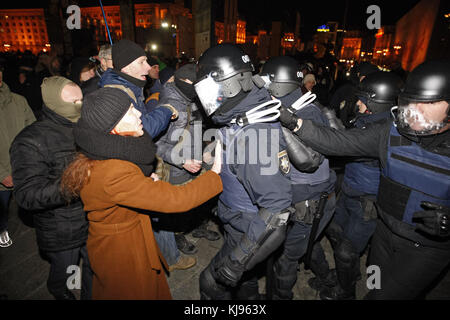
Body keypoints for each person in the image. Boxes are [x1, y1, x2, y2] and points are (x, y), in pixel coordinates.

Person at [279, 60, 450, 299]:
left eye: (429, 103)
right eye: (412, 100)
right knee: (374, 280)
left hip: (426, 248)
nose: (415, 110)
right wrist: (294, 123)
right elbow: (339, 142)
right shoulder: (390, 131)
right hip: (384, 230)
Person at [60, 86, 223, 300]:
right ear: (113, 128)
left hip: (124, 238)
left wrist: (141, 182)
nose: (138, 113)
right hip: (122, 254)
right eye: (129, 111)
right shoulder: (113, 171)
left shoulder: (104, 155)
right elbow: (178, 200)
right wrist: (215, 174)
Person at [195, 43, 294, 300]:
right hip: (238, 220)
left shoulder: (253, 134)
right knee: (246, 285)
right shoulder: (244, 115)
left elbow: (276, 211)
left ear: (230, 85)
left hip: (249, 227)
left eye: (210, 90)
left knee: (210, 283)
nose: (207, 100)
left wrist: (237, 261)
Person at [313, 71, 403, 300]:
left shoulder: (385, 129)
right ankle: (348, 274)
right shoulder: (366, 121)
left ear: (377, 102)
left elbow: (346, 146)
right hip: (350, 191)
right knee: (334, 232)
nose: (359, 103)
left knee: (346, 250)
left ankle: (346, 291)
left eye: (364, 99)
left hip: (368, 202)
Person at [260, 55, 337, 300]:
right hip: (306, 196)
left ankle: (282, 297)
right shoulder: (292, 107)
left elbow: (309, 162)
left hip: (309, 199)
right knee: (309, 243)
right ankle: (328, 278)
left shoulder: (305, 113)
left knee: (287, 256)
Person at [10, 76, 92, 300]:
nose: (80, 106)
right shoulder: (30, 140)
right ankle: (59, 290)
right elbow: (27, 195)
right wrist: (77, 182)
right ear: (53, 103)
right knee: (67, 270)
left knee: (93, 269)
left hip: (93, 218)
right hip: (62, 230)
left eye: (81, 100)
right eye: (73, 102)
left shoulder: (85, 124)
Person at [155, 63, 221, 255]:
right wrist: (182, 161)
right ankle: (178, 237)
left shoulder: (191, 99)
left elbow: (196, 130)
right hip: (177, 168)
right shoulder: (168, 106)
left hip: (196, 162)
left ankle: (198, 227)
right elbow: (156, 144)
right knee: (180, 209)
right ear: (185, 82)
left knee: (200, 200)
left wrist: (203, 151)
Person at [99, 39, 174, 139]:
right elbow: (144, 130)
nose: (148, 67)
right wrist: (167, 110)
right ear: (125, 67)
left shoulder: (131, 88)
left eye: (146, 61)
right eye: (142, 62)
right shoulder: (117, 94)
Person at [0, 65, 36, 248]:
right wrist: (2, 173)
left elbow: (32, 129)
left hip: (23, 165)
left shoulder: (18, 101)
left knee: (30, 202)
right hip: (2, 170)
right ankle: (2, 228)